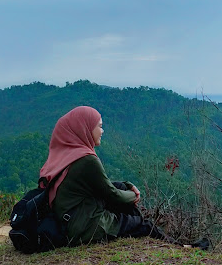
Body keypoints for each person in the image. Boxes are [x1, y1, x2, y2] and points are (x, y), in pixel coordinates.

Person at [39, 106, 195, 247]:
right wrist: (134, 195)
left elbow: (99, 185)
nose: (102, 131)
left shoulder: (64, 156)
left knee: (122, 192)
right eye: (99, 126)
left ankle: (163, 239)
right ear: (85, 128)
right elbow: (112, 195)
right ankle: (181, 247)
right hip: (85, 227)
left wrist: (125, 185)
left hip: (68, 222)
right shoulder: (87, 160)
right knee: (144, 225)